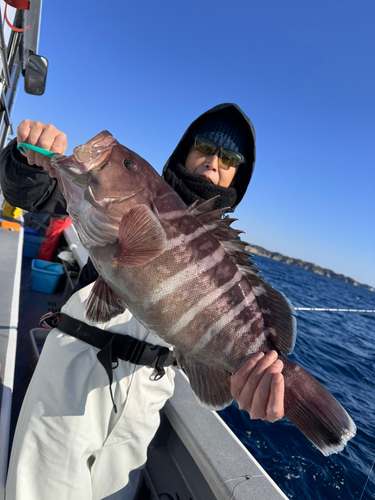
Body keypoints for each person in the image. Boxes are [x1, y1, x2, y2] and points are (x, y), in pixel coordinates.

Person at [0, 103, 284, 500]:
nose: (213, 161)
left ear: (239, 174)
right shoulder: (106, 191)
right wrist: (25, 158)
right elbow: (30, 190)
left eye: (230, 157)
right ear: (186, 149)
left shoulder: (221, 249)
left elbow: (222, 352)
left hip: (150, 390)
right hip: (76, 365)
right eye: (205, 144)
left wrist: (250, 383)